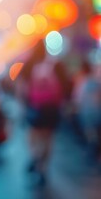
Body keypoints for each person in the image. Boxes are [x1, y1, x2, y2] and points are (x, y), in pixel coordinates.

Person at [17, 41, 71, 186]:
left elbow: (21, 86)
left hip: (35, 107)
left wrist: (23, 105)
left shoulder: (29, 64)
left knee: (34, 136)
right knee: (48, 139)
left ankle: (35, 156)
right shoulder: (55, 64)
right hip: (52, 108)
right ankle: (43, 168)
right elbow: (66, 84)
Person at [72, 59, 101, 166]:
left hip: (87, 113)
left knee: (90, 134)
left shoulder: (82, 82)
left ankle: (93, 150)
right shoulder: (97, 82)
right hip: (98, 112)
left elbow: (78, 99)